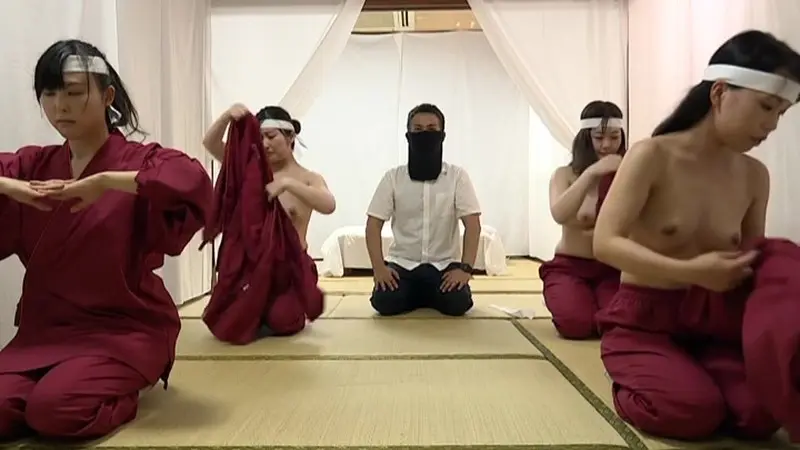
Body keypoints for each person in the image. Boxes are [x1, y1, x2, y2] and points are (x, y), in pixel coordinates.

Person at [593, 29, 800, 441]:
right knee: (691, 412)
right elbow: (605, 243)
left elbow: (749, 258)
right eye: (766, 106)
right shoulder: (652, 155)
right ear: (719, 92)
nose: (772, 124)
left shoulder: (754, 176)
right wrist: (691, 271)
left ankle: (692, 382)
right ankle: (637, 379)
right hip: (644, 321)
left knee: (761, 414)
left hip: (713, 324)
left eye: (782, 113)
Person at [0, 40, 212, 440]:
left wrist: (106, 183)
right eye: (49, 93)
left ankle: (130, 387)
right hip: (46, 330)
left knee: (54, 412)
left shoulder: (139, 161)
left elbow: (192, 182)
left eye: (73, 92)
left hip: (124, 329)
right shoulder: (33, 165)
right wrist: (9, 187)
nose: (60, 106)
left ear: (107, 96)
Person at [366, 103, 481, 316]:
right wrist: (379, 269)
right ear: (408, 136)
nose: (424, 134)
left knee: (458, 303)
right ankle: (423, 295)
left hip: (444, 265)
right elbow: (373, 224)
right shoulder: (393, 178)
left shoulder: (457, 177)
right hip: (403, 265)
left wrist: (465, 269)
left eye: (431, 129)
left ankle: (421, 296)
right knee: (384, 302)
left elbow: (473, 225)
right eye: (417, 129)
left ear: (442, 135)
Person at [540, 101, 625, 339]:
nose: (607, 145)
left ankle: (595, 305)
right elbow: (559, 214)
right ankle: (569, 299)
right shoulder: (564, 175)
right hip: (570, 266)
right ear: (586, 139)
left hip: (612, 268)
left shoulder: (628, 174)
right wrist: (591, 173)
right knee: (576, 325)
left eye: (614, 137)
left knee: (618, 326)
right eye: (599, 137)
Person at [203, 104, 336, 252]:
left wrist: (287, 183)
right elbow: (210, 144)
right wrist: (226, 117)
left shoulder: (308, 178)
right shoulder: (248, 170)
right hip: (250, 262)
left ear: (290, 137)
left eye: (271, 136)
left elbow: (328, 205)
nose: (265, 144)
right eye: (260, 138)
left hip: (291, 262)